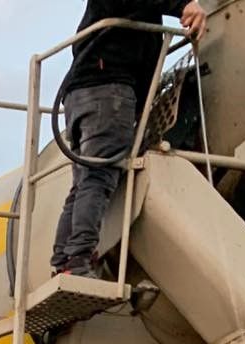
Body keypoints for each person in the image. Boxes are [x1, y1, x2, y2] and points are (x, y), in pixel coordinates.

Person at [51, 0, 207, 277]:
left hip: (84, 92)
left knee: (85, 181)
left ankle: (64, 260)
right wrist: (183, 5)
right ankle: (78, 259)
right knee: (98, 177)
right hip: (108, 89)